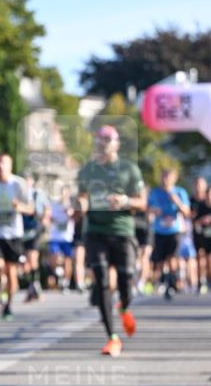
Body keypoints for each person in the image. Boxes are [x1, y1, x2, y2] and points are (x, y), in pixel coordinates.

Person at [77, 125, 146, 357]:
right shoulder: (87, 170)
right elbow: (82, 197)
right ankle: (112, 337)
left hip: (122, 231)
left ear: (116, 143)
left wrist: (125, 200)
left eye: (108, 139)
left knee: (126, 280)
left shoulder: (129, 169)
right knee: (102, 279)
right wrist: (80, 205)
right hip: (95, 231)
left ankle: (124, 306)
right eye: (100, 138)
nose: (103, 142)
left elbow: (142, 202)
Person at [0, 154, 32, 320]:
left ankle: (8, 306)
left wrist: (20, 206)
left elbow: (31, 208)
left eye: (4, 163)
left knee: (12, 275)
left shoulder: (18, 183)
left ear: (10, 166)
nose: (1, 166)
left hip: (14, 234)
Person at [148, 168, 191, 300]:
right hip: (160, 230)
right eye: (163, 176)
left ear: (174, 178)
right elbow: (147, 208)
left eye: (168, 177)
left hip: (174, 230)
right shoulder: (155, 192)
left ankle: (173, 281)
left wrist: (177, 201)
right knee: (159, 260)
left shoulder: (180, 192)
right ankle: (162, 281)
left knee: (172, 258)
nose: (165, 179)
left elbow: (187, 212)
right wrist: (154, 211)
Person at [21, 173, 50, 302]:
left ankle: (36, 287)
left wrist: (45, 218)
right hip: (21, 231)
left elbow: (47, 208)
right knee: (25, 264)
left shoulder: (38, 194)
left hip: (35, 229)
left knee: (33, 259)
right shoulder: (19, 194)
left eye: (28, 181)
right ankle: (32, 287)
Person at [47, 185, 75, 291]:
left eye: (65, 193)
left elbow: (75, 217)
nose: (63, 195)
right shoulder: (54, 205)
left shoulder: (71, 205)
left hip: (67, 237)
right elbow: (49, 217)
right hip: (55, 236)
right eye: (62, 192)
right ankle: (58, 271)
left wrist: (69, 212)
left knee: (67, 260)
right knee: (54, 256)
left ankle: (66, 282)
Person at [190, 176, 210, 295]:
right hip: (198, 233)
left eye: (201, 184)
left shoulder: (208, 201)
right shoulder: (193, 201)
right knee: (199, 256)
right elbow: (191, 217)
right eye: (197, 184)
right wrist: (200, 220)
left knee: (208, 258)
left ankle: (208, 279)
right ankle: (200, 282)